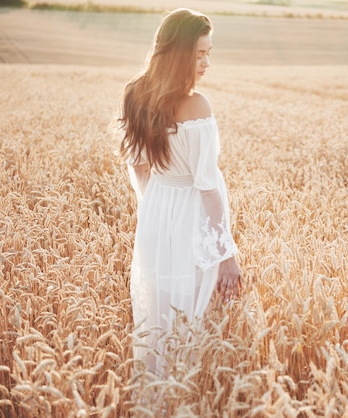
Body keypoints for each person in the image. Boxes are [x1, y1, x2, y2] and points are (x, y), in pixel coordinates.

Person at [117, 8, 242, 377]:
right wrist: (227, 253)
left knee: (160, 311)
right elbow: (206, 188)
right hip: (193, 218)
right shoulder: (197, 105)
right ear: (179, 53)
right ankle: (187, 396)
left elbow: (138, 167)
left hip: (155, 215)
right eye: (200, 54)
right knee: (194, 317)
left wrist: (156, 209)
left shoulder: (135, 94)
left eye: (209, 53)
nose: (207, 63)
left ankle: (158, 398)